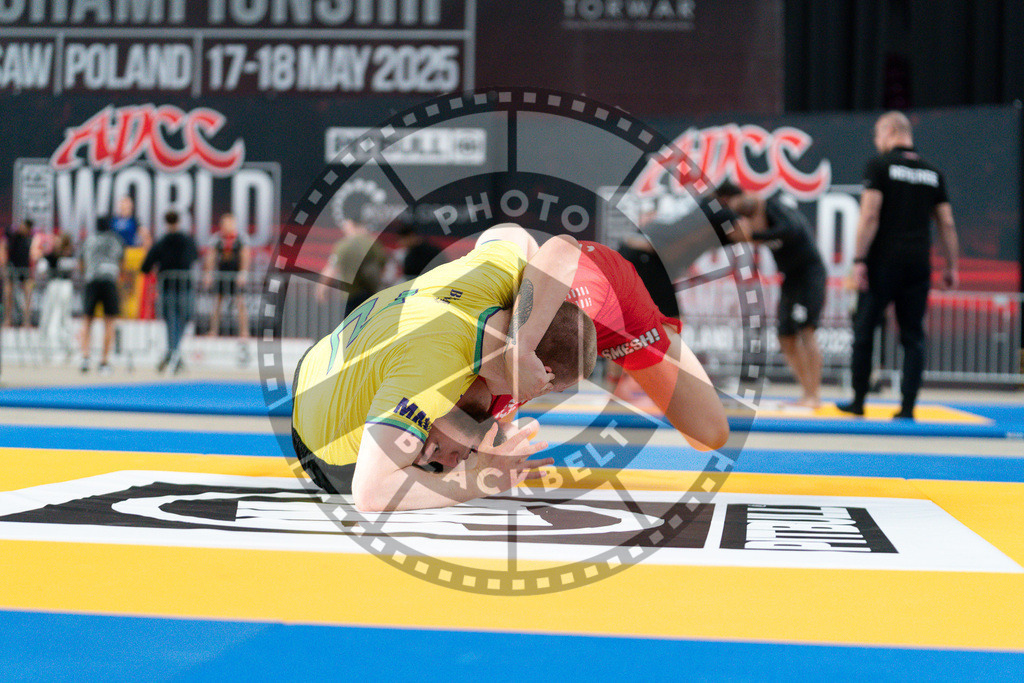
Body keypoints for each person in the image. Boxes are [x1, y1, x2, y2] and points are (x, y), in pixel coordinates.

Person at [292, 234, 597, 511]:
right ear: (544, 372)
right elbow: (370, 493)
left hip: (320, 358)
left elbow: (557, 245)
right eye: (551, 387)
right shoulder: (435, 371)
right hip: (322, 449)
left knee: (469, 414)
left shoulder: (495, 276)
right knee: (442, 460)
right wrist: (482, 480)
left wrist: (521, 345)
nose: (540, 394)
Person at [474, 225, 729, 452]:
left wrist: (519, 350)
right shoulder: (477, 402)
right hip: (568, 319)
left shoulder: (469, 337)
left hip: (612, 294)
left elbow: (514, 234)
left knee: (709, 433)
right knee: (710, 433)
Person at [837, 111, 959, 420]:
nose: (877, 142)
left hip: (882, 263)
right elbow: (946, 222)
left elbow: (869, 215)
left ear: (890, 131)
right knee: (913, 336)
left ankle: (859, 401)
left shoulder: (879, 166)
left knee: (864, 331)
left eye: (878, 135)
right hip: (918, 264)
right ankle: (907, 407)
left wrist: (859, 260)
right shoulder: (933, 172)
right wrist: (951, 266)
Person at [714, 183, 828, 409]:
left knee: (806, 331)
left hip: (809, 274)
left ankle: (814, 394)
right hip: (791, 278)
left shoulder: (772, 206)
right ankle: (806, 391)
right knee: (785, 336)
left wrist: (755, 236)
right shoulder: (748, 216)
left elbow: (791, 229)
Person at [142, 211, 200, 373]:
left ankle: (172, 352)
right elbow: (194, 257)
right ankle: (174, 353)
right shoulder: (187, 240)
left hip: (168, 287)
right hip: (184, 286)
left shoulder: (162, 242)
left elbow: (146, 266)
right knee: (183, 318)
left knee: (172, 321)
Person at [315, 192, 388, 316]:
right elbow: (383, 266)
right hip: (372, 295)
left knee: (351, 330)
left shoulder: (343, 245)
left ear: (350, 224)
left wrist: (321, 289)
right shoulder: (373, 243)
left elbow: (331, 268)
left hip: (352, 295)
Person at [80, 217, 125, 373]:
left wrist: (88, 273)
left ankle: (85, 358)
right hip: (109, 280)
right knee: (110, 322)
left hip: (92, 279)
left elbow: (81, 261)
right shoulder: (116, 240)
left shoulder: (89, 240)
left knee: (87, 319)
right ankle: (104, 361)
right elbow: (122, 261)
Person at [203, 213, 251, 337]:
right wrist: (208, 273)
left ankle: (244, 331)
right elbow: (210, 256)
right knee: (217, 304)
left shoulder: (241, 238)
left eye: (229, 223)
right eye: (224, 223)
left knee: (240, 303)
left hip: (236, 275)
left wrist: (243, 273)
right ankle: (213, 330)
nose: (227, 226)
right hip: (221, 275)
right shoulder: (217, 238)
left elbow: (245, 255)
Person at [33, 232, 77, 359]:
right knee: (49, 316)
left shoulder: (69, 255)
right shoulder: (51, 255)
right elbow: (42, 268)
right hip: (54, 285)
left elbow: (71, 268)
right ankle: (46, 349)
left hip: (63, 286)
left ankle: (67, 348)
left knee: (62, 318)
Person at [2, 218, 36, 327]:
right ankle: (8, 319)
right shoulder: (13, 236)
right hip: (12, 267)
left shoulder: (30, 238)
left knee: (28, 294)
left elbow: (32, 255)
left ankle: (26, 320)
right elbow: (5, 244)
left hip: (25, 268)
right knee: (8, 293)